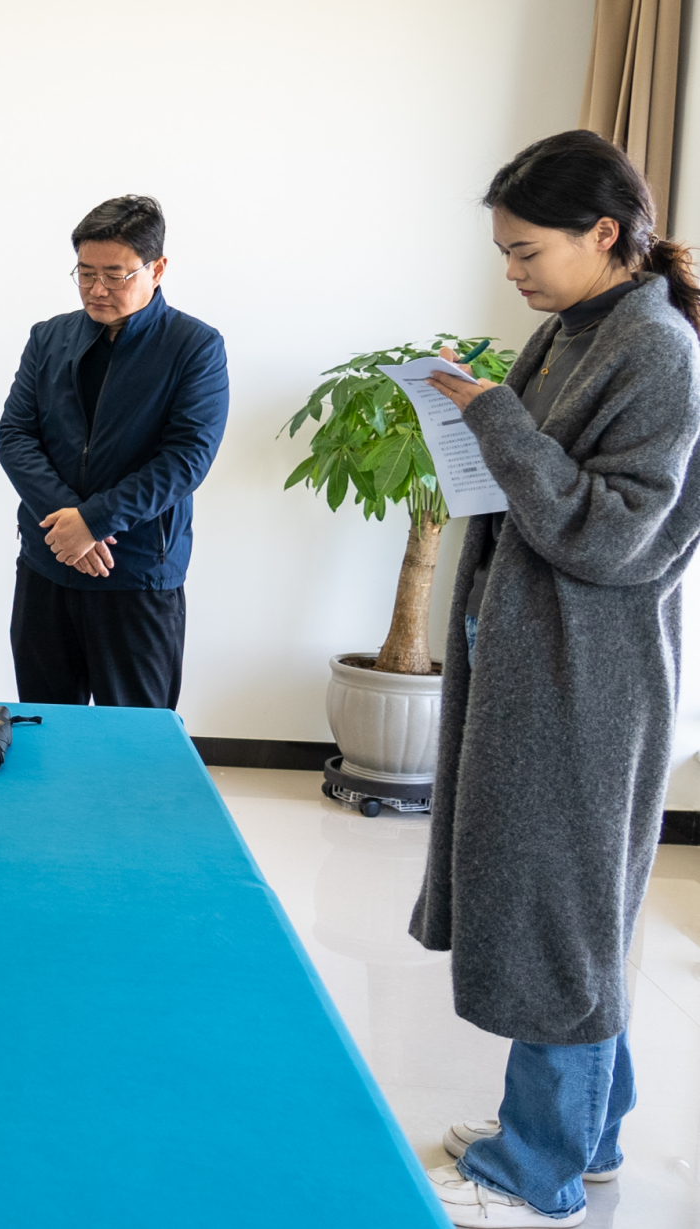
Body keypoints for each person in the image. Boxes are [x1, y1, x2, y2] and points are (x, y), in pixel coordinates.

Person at [411, 130, 700, 1229]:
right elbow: (537, 479)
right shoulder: (575, 328)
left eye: (526, 250)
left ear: (603, 234)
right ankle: (588, 1132)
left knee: (557, 918)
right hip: (538, 661)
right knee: (570, 912)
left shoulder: (655, 348)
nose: (512, 272)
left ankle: (536, 1169)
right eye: (503, 251)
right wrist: (478, 413)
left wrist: (489, 414)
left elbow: (614, 535)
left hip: (588, 680)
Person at [0, 195, 228, 709]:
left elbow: (187, 458)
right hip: (48, 560)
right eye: (85, 273)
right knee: (45, 722)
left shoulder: (194, 346)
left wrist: (95, 521)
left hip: (136, 570)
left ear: (156, 269)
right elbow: (15, 435)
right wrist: (69, 525)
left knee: (137, 735)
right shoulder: (48, 337)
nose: (97, 289)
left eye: (115, 275)